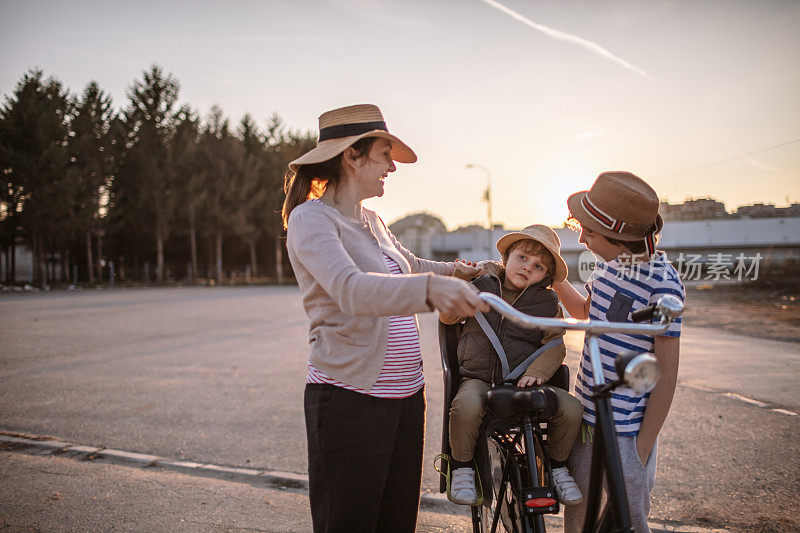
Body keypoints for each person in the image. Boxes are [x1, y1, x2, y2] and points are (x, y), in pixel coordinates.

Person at [283, 103, 489, 532]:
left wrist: (457, 272)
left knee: (397, 523)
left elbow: (409, 264)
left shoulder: (372, 219)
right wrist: (433, 292)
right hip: (349, 399)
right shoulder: (310, 219)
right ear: (351, 156)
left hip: (407, 398)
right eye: (384, 155)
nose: (392, 167)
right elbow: (350, 288)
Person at [554, 171, 685, 532]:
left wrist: (642, 447)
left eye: (590, 233)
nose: (581, 238)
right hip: (586, 418)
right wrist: (555, 278)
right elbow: (586, 312)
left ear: (620, 239)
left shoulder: (663, 284)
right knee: (579, 515)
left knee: (626, 520)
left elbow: (667, 374)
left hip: (628, 431)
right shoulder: (608, 264)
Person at [439, 225, 584, 506]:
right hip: (479, 378)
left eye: (539, 266)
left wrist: (537, 373)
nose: (528, 267)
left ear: (546, 276)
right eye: (522, 258)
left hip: (525, 382)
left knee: (572, 408)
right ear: (507, 258)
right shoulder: (480, 286)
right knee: (465, 405)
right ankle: (463, 468)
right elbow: (448, 318)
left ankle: (556, 467)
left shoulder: (548, 302)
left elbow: (555, 345)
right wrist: (460, 279)